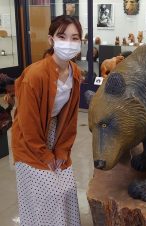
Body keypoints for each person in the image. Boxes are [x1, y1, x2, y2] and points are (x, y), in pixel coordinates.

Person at [11, 15, 82, 226]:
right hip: (29, 140)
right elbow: (27, 122)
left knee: (67, 188)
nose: (69, 43)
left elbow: (70, 117)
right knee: (46, 192)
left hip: (56, 134)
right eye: (62, 36)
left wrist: (62, 149)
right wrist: (43, 153)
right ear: (51, 40)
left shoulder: (75, 72)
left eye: (75, 37)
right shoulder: (34, 75)